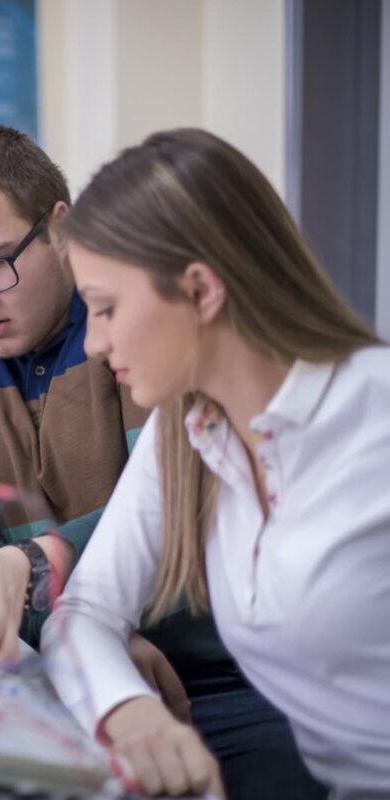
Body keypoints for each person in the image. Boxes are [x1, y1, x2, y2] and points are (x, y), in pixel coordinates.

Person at [0, 124, 322, 799]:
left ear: (201, 290)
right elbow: (81, 572)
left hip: (231, 682)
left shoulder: (173, 370)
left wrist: (31, 568)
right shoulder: (183, 426)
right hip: (75, 662)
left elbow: (179, 540)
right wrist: (86, 647)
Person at [43, 127, 389, 798]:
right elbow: (82, 611)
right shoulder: (189, 430)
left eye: (106, 308)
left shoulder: (374, 416)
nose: (91, 342)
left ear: (201, 290)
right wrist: (128, 711)